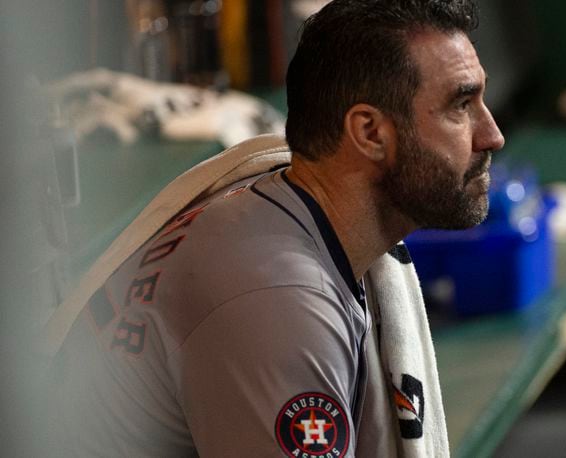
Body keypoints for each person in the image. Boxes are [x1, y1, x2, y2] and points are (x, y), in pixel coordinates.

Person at [50, 0, 504, 456]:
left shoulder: (286, 218)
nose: (491, 135)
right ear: (369, 133)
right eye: (461, 105)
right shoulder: (273, 294)